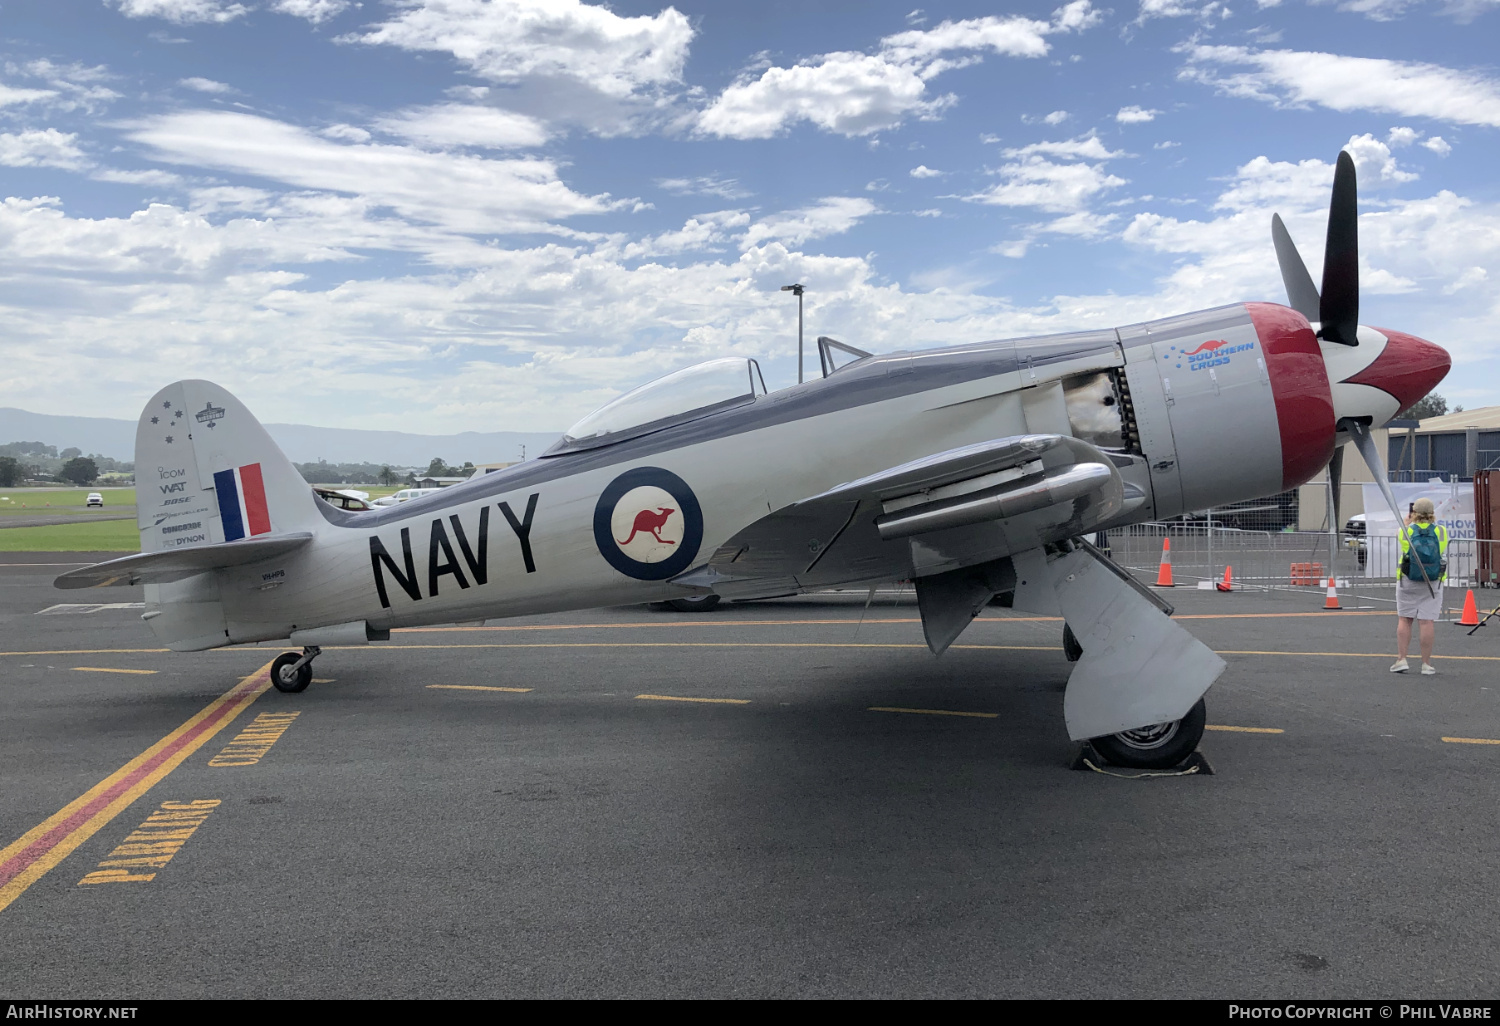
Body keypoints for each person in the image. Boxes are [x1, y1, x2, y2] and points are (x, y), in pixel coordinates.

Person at [1391, 497, 1450, 675]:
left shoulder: (1405, 531)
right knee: (1426, 621)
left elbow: (1399, 538)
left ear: (1413, 512)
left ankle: (1402, 659)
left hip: (1408, 578)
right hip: (1433, 580)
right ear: (1433, 513)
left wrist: (1408, 521)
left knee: (1405, 619)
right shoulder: (1441, 532)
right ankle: (1426, 663)